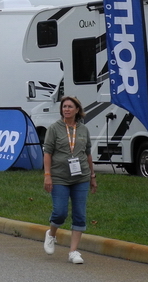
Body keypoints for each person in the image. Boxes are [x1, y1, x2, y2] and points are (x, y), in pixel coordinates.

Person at [42, 95, 97, 265]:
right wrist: (47, 175)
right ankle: (51, 234)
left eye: (70, 107)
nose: (66, 109)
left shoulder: (83, 130)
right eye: (64, 106)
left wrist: (92, 176)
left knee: (79, 214)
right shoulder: (54, 128)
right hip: (59, 177)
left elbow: (87, 153)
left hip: (80, 177)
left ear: (77, 110)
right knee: (60, 212)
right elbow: (48, 153)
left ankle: (73, 251)